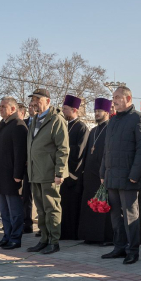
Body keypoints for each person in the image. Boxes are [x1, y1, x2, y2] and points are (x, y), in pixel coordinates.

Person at [100, 86, 141, 265]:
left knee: (130, 215)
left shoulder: (139, 119)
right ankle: (119, 247)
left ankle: (133, 250)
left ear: (128, 99)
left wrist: (135, 174)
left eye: (117, 97)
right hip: (112, 176)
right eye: (113, 97)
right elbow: (106, 150)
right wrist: (103, 172)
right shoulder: (113, 121)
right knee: (115, 216)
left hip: (129, 177)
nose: (113, 101)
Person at [26, 88, 69, 254]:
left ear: (48, 101)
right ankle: (44, 239)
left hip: (50, 173)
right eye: (33, 99)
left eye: (38, 99)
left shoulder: (56, 119)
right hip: (35, 172)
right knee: (41, 209)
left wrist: (59, 172)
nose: (35, 102)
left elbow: (63, 148)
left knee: (52, 208)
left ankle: (54, 241)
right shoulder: (35, 119)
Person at [0, 96, 28, 249]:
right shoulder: (1, 125)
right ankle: (6, 235)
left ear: (13, 109)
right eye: (0, 106)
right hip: (0, 174)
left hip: (12, 176)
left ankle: (15, 238)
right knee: (4, 210)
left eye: (3, 106)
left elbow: (20, 153)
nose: (0, 109)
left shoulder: (19, 125)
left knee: (14, 210)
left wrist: (18, 174)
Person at [78, 98, 114, 244]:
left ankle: (105, 238)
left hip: (102, 174)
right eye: (95, 111)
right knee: (90, 206)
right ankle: (90, 236)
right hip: (89, 175)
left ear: (107, 112)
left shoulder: (111, 129)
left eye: (100, 111)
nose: (97, 113)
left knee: (103, 206)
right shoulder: (93, 131)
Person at [60, 94, 89, 240]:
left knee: (72, 206)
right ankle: (63, 232)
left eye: (65, 108)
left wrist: (63, 150)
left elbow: (79, 152)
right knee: (63, 205)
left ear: (74, 110)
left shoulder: (81, 127)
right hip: (63, 173)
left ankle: (72, 234)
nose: (63, 111)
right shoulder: (65, 126)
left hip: (74, 174)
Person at [21, 102, 37, 234]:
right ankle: (26, 222)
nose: (30, 107)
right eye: (29, 106)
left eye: (33, 105)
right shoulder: (24, 123)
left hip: (37, 164)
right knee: (25, 195)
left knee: (37, 196)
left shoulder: (41, 123)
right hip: (24, 165)